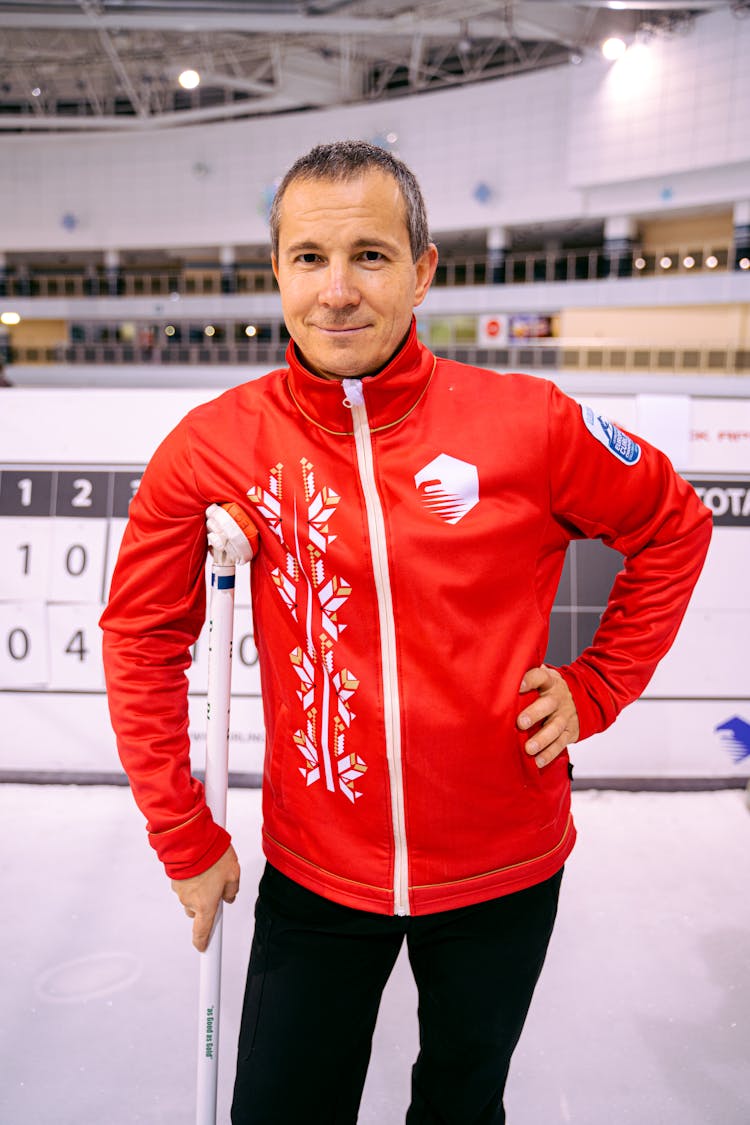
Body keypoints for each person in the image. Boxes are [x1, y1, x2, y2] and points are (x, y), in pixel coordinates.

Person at [100, 140, 712, 1124]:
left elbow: (674, 524)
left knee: (462, 1104)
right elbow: (140, 639)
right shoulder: (213, 446)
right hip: (316, 872)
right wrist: (181, 830)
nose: (337, 290)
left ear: (424, 270)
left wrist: (598, 685)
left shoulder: (532, 423)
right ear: (277, 271)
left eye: (371, 256)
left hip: (504, 867)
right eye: (309, 258)